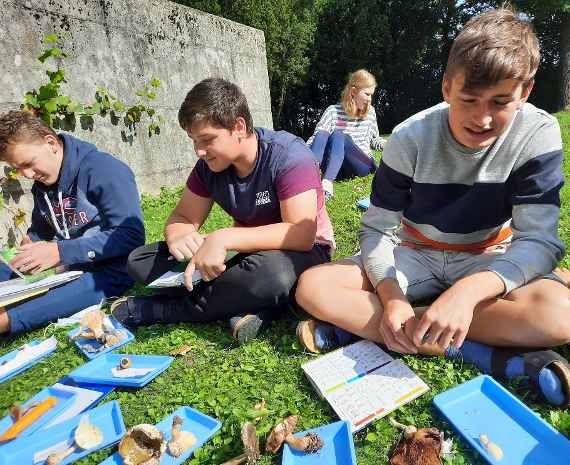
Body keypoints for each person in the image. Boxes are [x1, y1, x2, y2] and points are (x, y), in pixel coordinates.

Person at [295, 8, 570, 407]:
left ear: (525, 91)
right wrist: (391, 297)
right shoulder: (410, 137)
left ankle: (370, 327)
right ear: (446, 87)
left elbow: (539, 241)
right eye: (468, 99)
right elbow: (377, 230)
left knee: (559, 314)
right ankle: (487, 354)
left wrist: (466, 295)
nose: (482, 118)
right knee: (314, 286)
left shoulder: (539, 132)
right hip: (415, 254)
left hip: (488, 258)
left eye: (500, 101)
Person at [111, 78, 334, 344]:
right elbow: (182, 217)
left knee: (273, 275)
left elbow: (301, 233)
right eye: (194, 141)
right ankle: (254, 304)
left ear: (238, 126)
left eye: (207, 139)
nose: (200, 151)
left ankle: (167, 309)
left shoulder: (288, 156)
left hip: (304, 252)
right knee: (141, 261)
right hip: (248, 251)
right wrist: (180, 236)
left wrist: (223, 238)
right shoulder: (209, 167)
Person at [0, 110, 145, 335]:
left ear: (51, 143)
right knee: (6, 266)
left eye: (28, 164)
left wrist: (60, 252)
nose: (27, 175)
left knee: (62, 297)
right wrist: (31, 244)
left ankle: (6, 322)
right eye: (18, 169)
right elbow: (42, 230)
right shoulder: (43, 183)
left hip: (112, 270)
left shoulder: (104, 169)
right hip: (70, 268)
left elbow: (131, 235)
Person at [306, 69, 386, 200]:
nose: (369, 99)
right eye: (367, 94)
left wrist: (384, 144)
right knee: (322, 134)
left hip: (362, 164)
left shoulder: (370, 112)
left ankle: (327, 184)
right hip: (337, 166)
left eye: (371, 95)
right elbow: (316, 139)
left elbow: (374, 139)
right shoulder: (333, 111)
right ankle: (308, 180)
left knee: (339, 135)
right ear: (353, 91)